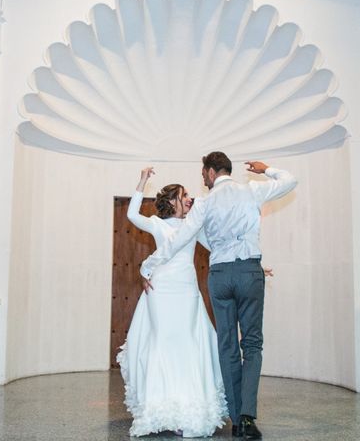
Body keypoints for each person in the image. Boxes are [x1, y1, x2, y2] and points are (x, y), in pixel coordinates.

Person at [140, 152, 297, 440]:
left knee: (227, 346)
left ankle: (236, 419)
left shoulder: (204, 204)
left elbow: (179, 241)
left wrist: (147, 265)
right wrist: (267, 170)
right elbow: (290, 180)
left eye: (203, 174)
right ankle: (247, 418)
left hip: (220, 276)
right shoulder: (251, 191)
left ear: (212, 172)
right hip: (249, 272)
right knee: (251, 344)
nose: (202, 179)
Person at [117, 167, 228, 438]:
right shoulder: (156, 223)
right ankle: (160, 409)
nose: (190, 198)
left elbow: (218, 246)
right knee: (162, 343)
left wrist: (254, 262)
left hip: (187, 290)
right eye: (185, 195)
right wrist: (142, 179)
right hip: (161, 289)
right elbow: (132, 215)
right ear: (172, 202)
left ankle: (187, 409)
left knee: (188, 343)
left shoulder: (194, 225)